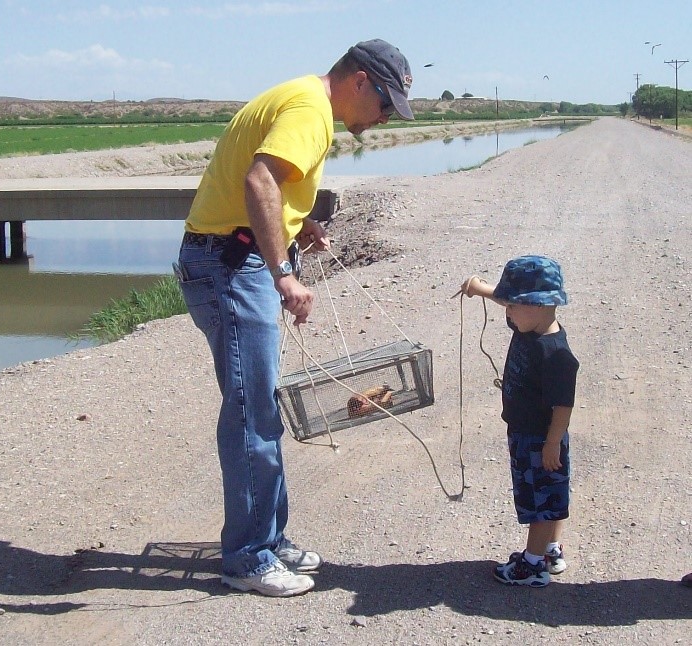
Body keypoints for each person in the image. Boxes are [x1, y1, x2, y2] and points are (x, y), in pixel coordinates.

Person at [174, 39, 414, 597]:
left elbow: (270, 189)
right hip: (231, 266)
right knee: (250, 411)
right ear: (359, 81)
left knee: (260, 405)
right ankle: (248, 557)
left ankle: (268, 536)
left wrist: (297, 222)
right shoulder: (310, 109)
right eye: (383, 104)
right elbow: (258, 180)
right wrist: (284, 272)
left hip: (231, 257)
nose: (382, 118)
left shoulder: (306, 100)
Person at [461, 255, 579, 588]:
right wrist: (479, 289)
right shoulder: (530, 321)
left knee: (540, 503)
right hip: (526, 432)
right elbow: (505, 298)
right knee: (551, 498)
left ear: (540, 306)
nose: (507, 312)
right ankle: (551, 551)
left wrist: (552, 443)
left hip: (541, 440)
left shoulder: (556, 355)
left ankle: (533, 565)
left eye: (514, 306)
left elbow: (563, 406)